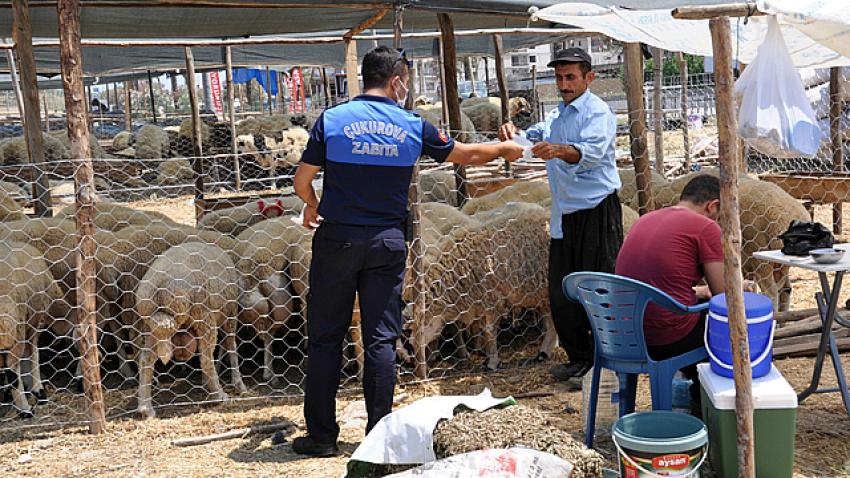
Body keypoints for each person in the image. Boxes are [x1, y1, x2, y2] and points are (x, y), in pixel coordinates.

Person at [291, 46, 524, 456]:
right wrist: (503, 150)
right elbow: (465, 154)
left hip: (339, 239)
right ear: (397, 80)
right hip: (387, 241)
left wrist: (312, 203)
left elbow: (302, 179)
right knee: (381, 339)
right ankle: (379, 440)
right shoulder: (413, 124)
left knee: (326, 338)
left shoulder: (333, 119)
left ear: (365, 78)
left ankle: (322, 438)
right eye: (407, 82)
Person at [498, 47, 622, 386]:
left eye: (570, 77)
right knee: (563, 290)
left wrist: (559, 151)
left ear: (589, 77)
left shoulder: (598, 112)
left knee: (599, 286)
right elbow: (533, 139)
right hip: (565, 212)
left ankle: (605, 360)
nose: (564, 84)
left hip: (596, 210)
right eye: (559, 78)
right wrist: (515, 137)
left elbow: (593, 153)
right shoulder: (558, 116)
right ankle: (578, 356)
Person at [614, 174, 726, 411]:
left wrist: (698, 291)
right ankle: (705, 405)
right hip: (665, 339)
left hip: (622, 336)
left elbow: (656, 280)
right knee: (726, 330)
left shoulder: (646, 219)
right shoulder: (706, 227)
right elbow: (724, 297)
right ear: (712, 205)